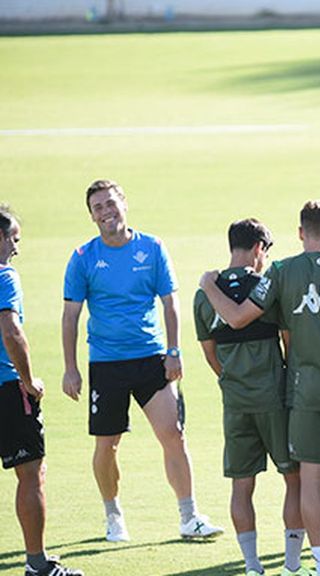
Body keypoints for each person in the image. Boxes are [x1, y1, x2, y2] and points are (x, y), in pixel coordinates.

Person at [200, 201, 320, 576]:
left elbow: (239, 319)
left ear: (301, 232)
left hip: (305, 394)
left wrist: (207, 283)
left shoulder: (281, 272)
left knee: (311, 482)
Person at [61, 179, 222, 542]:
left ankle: (189, 516)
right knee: (107, 445)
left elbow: (170, 302)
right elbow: (70, 315)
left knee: (174, 435)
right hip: (106, 363)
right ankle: (113, 514)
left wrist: (174, 351)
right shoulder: (83, 258)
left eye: (110, 203)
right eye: (98, 207)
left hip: (151, 358)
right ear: (91, 216)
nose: (106, 212)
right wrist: (70, 368)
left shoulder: (152, 248)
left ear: (124, 204)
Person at [194, 219, 309, 576]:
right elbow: (289, 342)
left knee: (242, 485)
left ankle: (252, 565)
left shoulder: (204, 294)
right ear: (259, 248)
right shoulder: (266, 288)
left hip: (235, 402)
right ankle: (291, 565)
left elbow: (210, 354)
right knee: (295, 479)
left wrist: (231, 381)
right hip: (274, 397)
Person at [1, 206, 84, 576]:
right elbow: (11, 330)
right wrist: (29, 379)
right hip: (8, 389)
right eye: (13, 239)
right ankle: (37, 565)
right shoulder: (5, 276)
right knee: (31, 473)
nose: (17, 247)